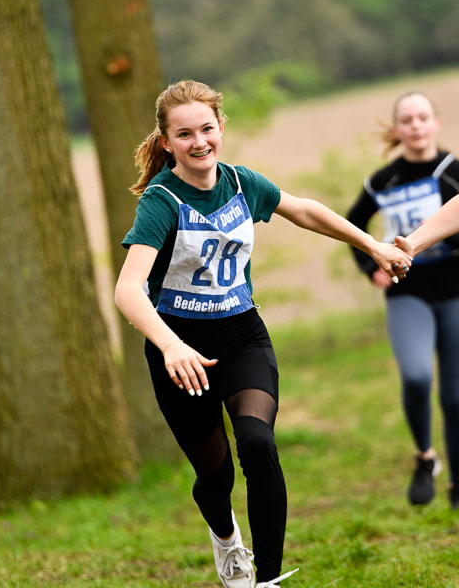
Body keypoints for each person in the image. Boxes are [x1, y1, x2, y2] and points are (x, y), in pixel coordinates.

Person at [114, 80, 412, 588]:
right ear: (166, 141)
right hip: (181, 350)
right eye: (184, 134)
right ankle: (228, 539)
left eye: (207, 128)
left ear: (221, 128)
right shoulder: (162, 202)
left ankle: (267, 581)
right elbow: (127, 290)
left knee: (256, 442)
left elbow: (303, 210)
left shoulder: (240, 182)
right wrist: (171, 345)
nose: (199, 141)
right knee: (215, 476)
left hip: (241, 336)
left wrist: (374, 247)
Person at [346, 91, 459, 510]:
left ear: (435, 124)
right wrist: (370, 267)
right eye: (406, 119)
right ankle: (426, 457)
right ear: (397, 130)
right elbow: (353, 225)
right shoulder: (381, 181)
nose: (415, 125)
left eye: (422, 117)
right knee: (416, 376)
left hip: (455, 291)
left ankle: (458, 484)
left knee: (456, 396)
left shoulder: (454, 171)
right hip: (407, 291)